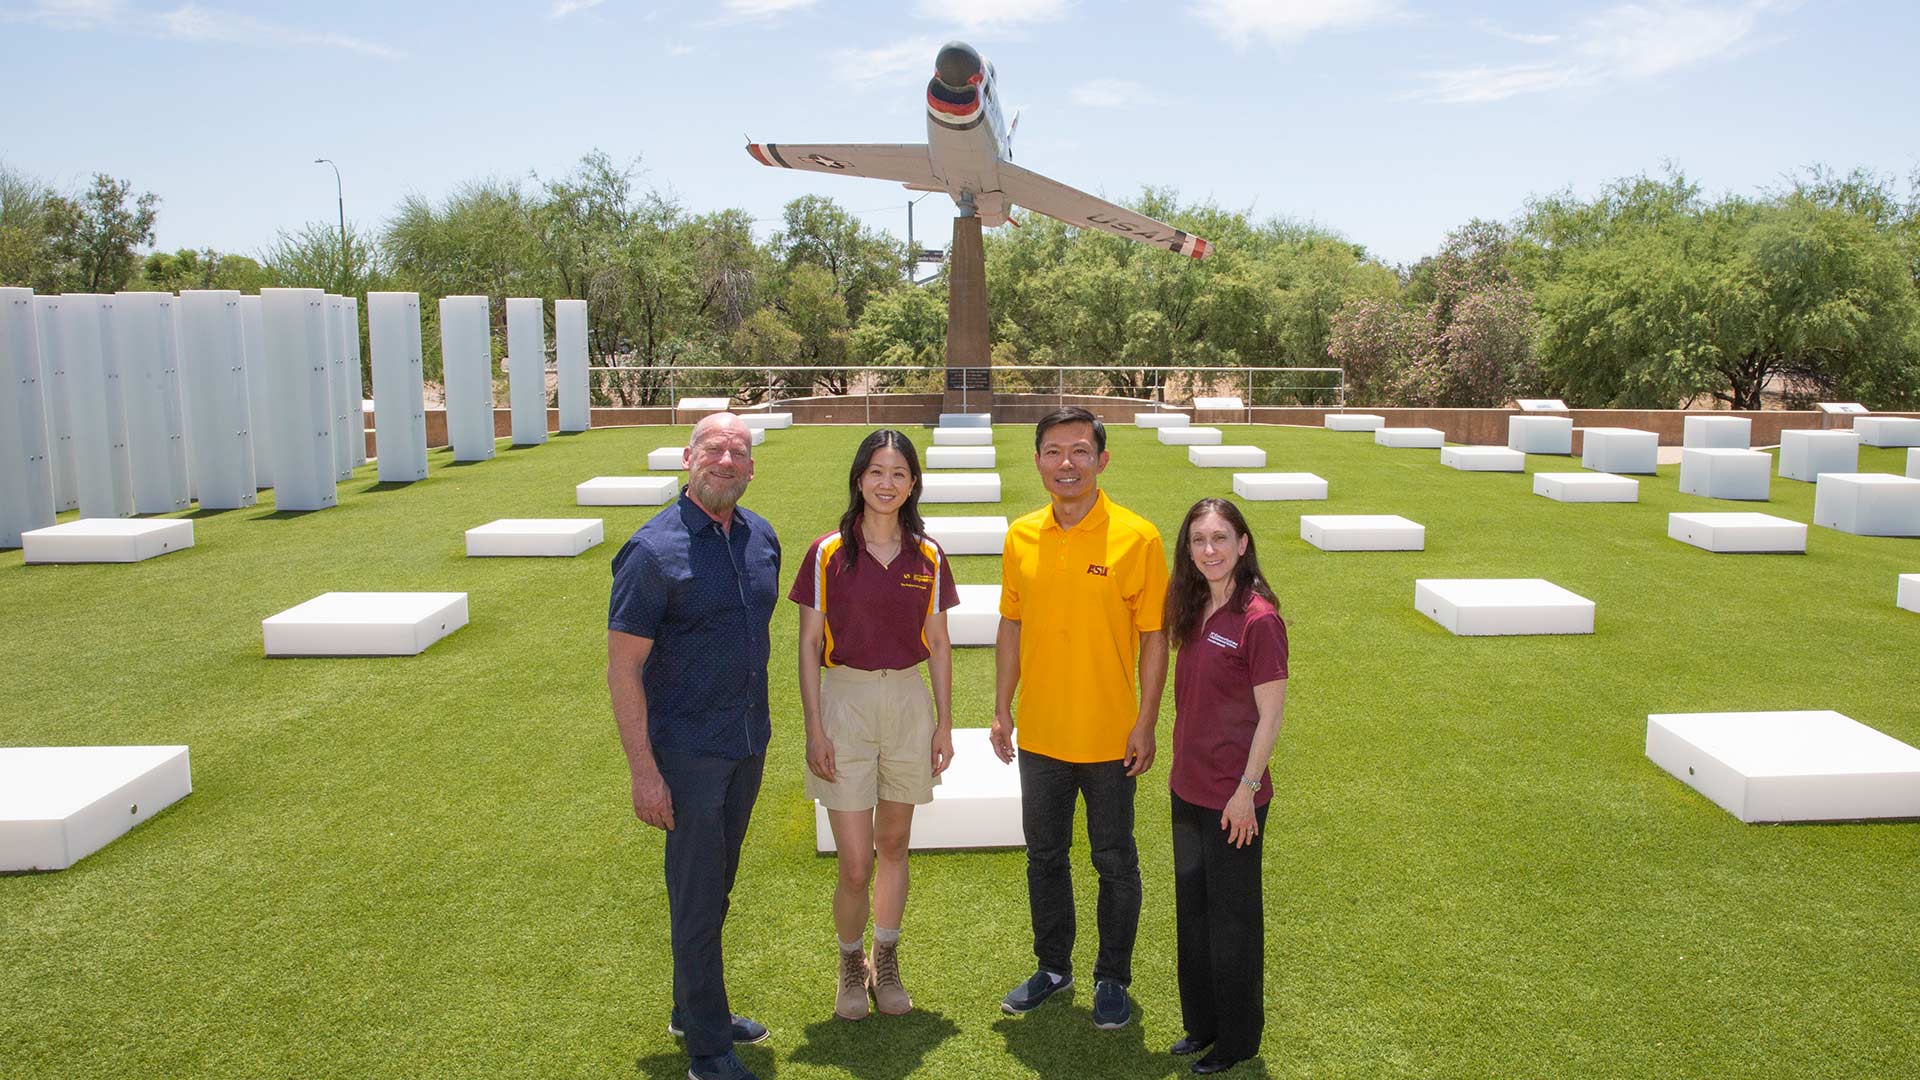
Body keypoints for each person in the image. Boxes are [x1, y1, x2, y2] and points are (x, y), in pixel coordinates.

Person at [607, 413, 781, 1080]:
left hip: (745, 743)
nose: (727, 461)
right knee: (698, 893)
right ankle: (708, 1047)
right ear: (689, 457)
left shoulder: (761, 537)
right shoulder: (652, 553)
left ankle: (693, 1008)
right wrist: (644, 772)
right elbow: (623, 669)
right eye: (715, 448)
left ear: (752, 467)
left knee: (716, 888)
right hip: (688, 754)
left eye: (739, 452)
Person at [990, 406, 1169, 1030]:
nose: (1066, 464)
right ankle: (1053, 966)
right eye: (1053, 452)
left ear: (1102, 460)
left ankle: (1112, 977)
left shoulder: (1137, 537)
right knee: (1044, 856)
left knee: (1114, 859)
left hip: (1109, 735)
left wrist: (1145, 721)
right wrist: (999, 710)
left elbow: (1154, 638)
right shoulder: (1021, 535)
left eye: (1079, 451)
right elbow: (1010, 625)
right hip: (1040, 732)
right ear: (1037, 460)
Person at [790, 429, 960, 1022]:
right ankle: (848, 963)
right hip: (845, 704)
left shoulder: (929, 554)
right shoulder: (828, 552)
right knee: (856, 861)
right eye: (877, 472)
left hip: (908, 703)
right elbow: (809, 645)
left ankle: (886, 960)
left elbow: (938, 644)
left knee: (894, 844)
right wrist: (815, 729)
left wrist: (944, 725)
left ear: (913, 484)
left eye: (899, 474)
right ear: (860, 478)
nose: (887, 484)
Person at [1162, 497, 1288, 1075]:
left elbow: (1271, 715)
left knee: (1233, 922)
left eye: (1219, 538)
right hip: (1187, 790)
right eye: (1197, 540)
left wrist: (1246, 789)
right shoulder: (1192, 606)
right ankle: (1202, 1025)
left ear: (1242, 544)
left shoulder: (1259, 618)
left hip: (1234, 799)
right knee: (1194, 914)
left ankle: (1237, 1040)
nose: (1208, 550)